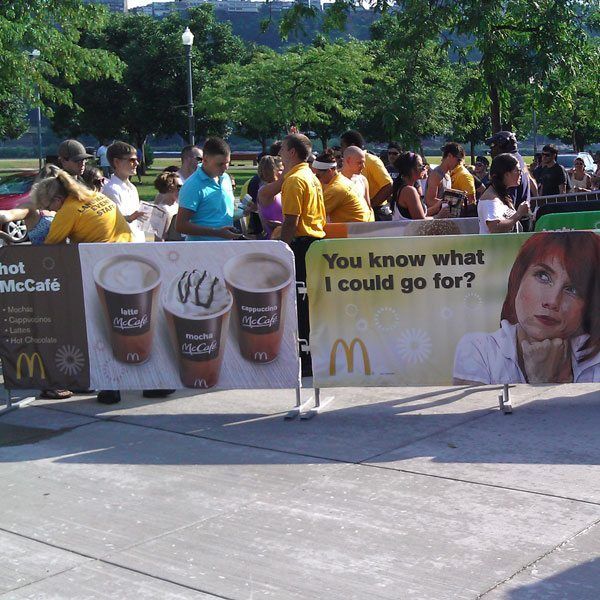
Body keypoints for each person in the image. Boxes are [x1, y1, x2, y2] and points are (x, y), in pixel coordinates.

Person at [453, 231, 600, 384]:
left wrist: (545, 382)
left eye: (573, 289)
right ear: (518, 278)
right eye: (543, 276)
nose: (552, 301)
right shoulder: (479, 350)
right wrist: (542, 381)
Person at [279, 133, 326, 376]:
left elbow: (291, 221)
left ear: (292, 153)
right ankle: (310, 357)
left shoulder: (295, 179)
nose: (279, 154)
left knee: (300, 305)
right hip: (315, 243)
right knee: (309, 304)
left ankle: (304, 360)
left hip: (301, 244)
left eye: (282, 149)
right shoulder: (311, 176)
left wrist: (278, 250)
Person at [31, 169, 132, 245]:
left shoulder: (67, 211)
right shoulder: (94, 194)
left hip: (105, 258)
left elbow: (49, 247)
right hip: (129, 247)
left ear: (57, 200)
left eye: (48, 207)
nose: (50, 211)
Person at [176, 137, 241, 241]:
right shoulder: (192, 185)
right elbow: (180, 225)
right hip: (201, 251)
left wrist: (243, 211)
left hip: (226, 248)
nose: (225, 168)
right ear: (205, 160)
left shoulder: (226, 178)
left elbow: (221, 213)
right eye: (220, 164)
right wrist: (217, 232)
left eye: (228, 162)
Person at [340, 130, 393, 220]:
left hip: (375, 214)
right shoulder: (347, 162)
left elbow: (389, 185)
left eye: (342, 146)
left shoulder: (371, 160)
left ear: (352, 146)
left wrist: (371, 206)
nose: (341, 149)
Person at [101, 141, 147, 242]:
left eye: (137, 159)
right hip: (123, 246)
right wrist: (130, 217)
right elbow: (112, 221)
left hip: (138, 242)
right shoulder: (111, 189)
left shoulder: (132, 188)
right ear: (116, 162)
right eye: (132, 160)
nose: (137, 163)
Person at [312, 150, 372, 223]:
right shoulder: (343, 180)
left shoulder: (336, 189)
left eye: (318, 176)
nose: (316, 180)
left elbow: (315, 214)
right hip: (362, 227)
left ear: (329, 171)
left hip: (355, 231)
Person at [477, 154, 530, 234]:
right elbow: (495, 228)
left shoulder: (500, 195)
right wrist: (519, 214)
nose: (520, 174)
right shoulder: (490, 199)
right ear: (506, 174)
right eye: (518, 170)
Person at [391, 152, 448, 220]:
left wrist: (437, 207)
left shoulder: (406, 187)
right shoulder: (409, 191)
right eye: (421, 165)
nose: (424, 168)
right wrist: (439, 216)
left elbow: (419, 214)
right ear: (410, 169)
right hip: (408, 230)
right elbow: (420, 222)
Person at [486, 131, 530, 207]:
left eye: (493, 145)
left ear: (501, 145)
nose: (491, 150)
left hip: (513, 215)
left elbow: (509, 200)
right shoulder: (519, 160)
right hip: (520, 214)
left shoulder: (509, 164)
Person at [424, 143, 462, 216]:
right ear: (449, 156)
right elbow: (430, 201)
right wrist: (453, 203)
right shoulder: (436, 175)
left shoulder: (447, 174)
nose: (459, 163)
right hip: (433, 219)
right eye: (458, 160)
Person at [340, 146, 373, 218]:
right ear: (348, 160)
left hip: (361, 227)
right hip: (340, 227)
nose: (363, 166)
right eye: (359, 163)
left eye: (364, 162)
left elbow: (368, 207)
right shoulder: (334, 180)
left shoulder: (363, 180)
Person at [256, 155, 284, 239]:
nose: (283, 173)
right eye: (281, 170)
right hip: (274, 240)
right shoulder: (265, 191)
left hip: (284, 237)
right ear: (273, 171)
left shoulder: (279, 191)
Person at [153, 171, 184, 241]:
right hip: (170, 249)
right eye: (179, 187)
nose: (182, 190)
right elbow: (159, 239)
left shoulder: (177, 205)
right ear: (170, 188)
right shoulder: (163, 210)